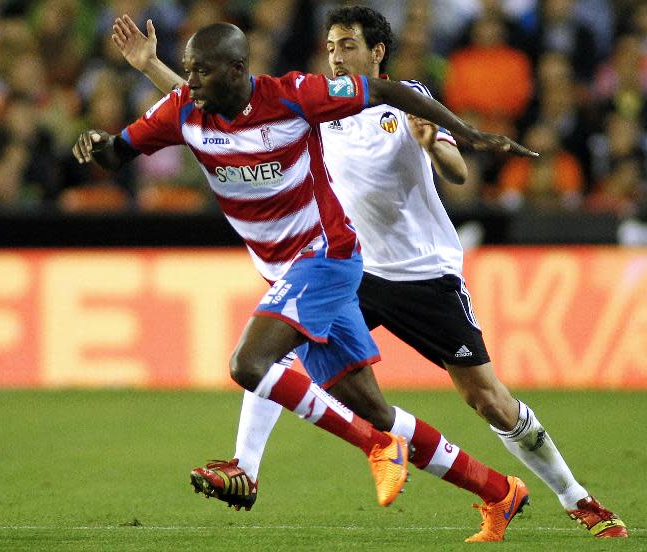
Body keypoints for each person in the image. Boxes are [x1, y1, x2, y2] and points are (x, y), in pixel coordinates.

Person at [110, 6, 628, 541]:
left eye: (348, 46)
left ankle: (575, 496)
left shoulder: (404, 99)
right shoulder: (314, 105)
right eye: (331, 47)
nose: (336, 56)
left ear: (376, 52)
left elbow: (457, 173)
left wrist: (435, 144)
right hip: (351, 269)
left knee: (487, 398)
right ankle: (247, 466)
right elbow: (222, 108)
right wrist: (152, 68)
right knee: (273, 349)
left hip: (425, 273)